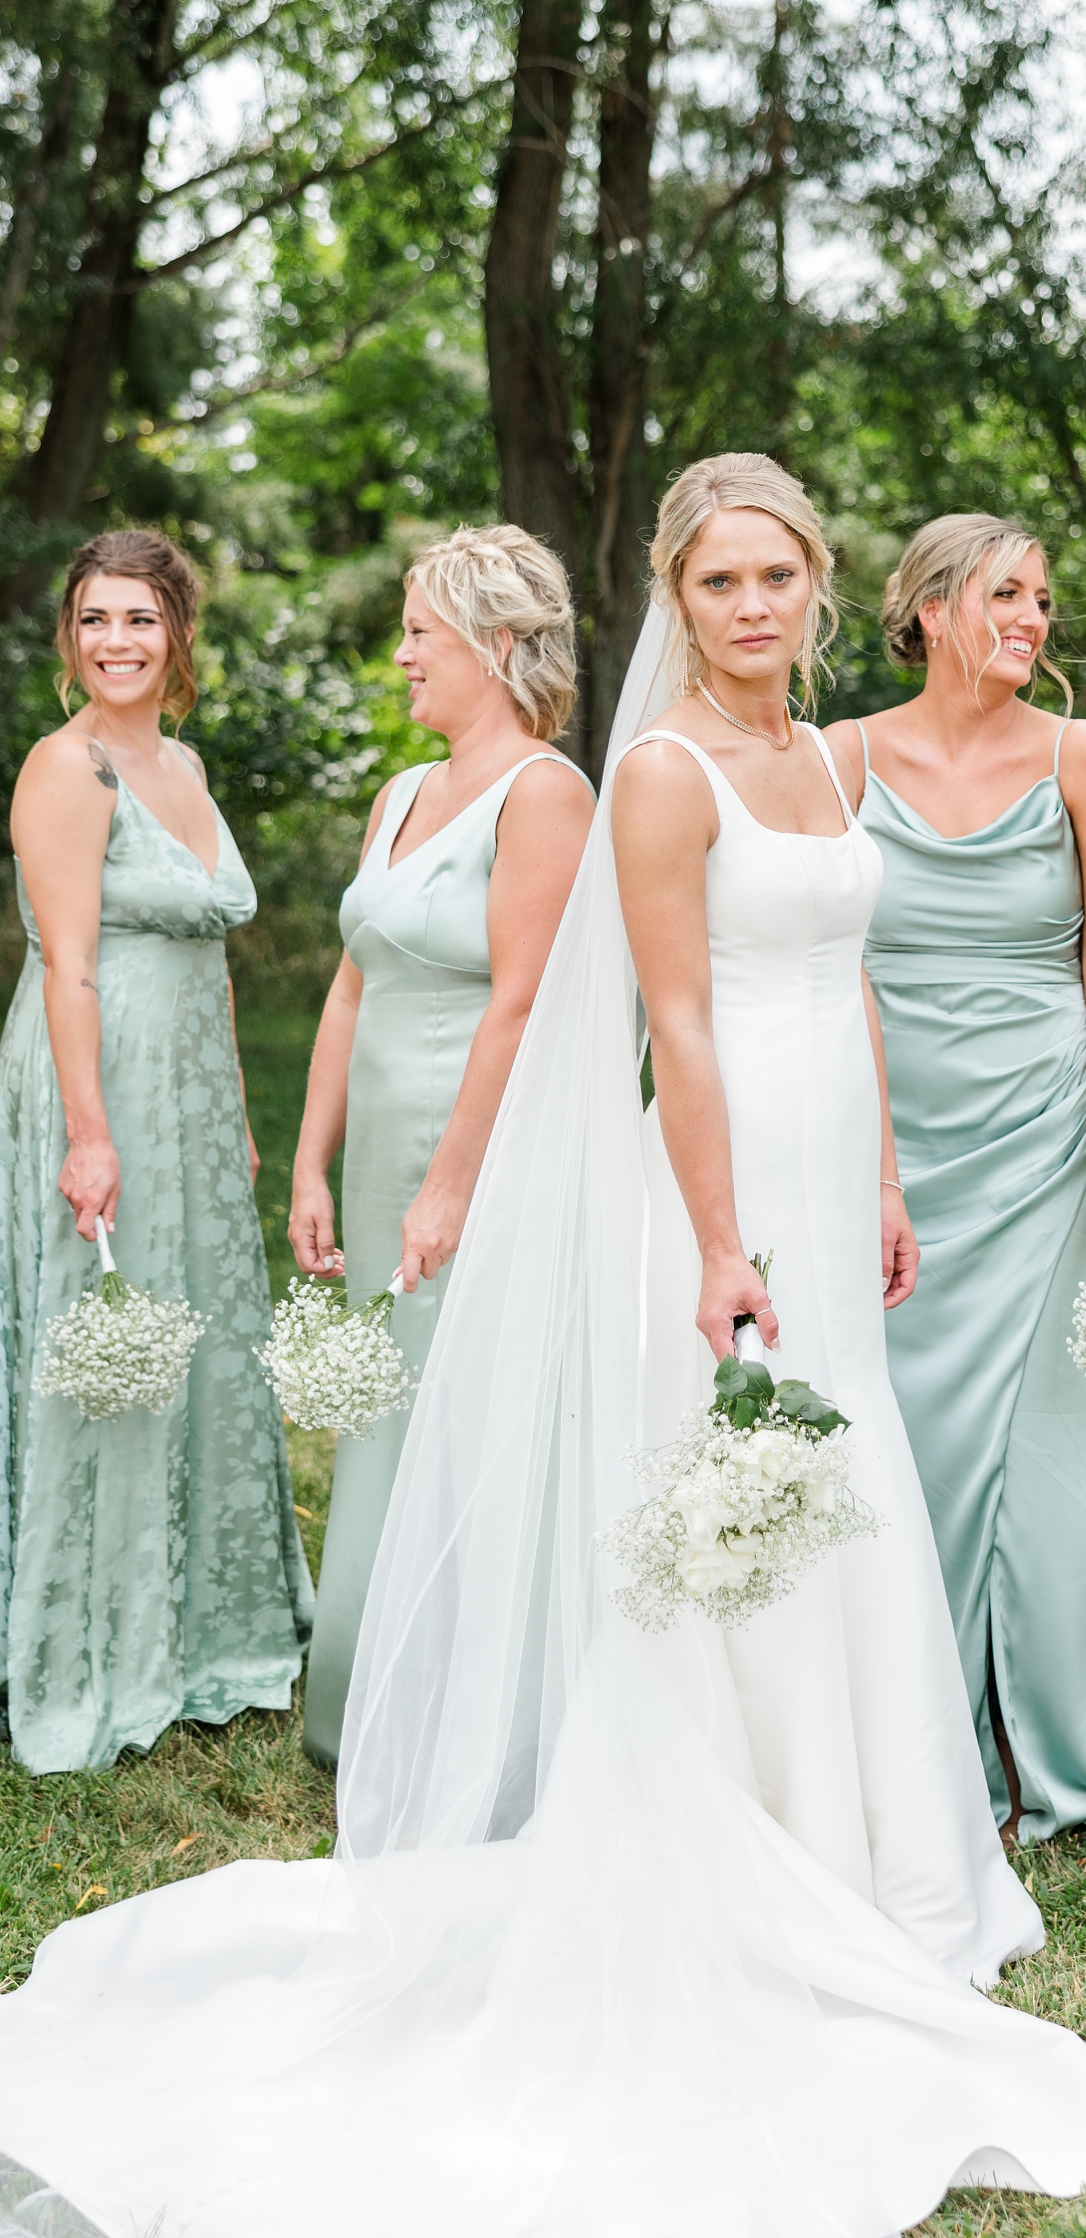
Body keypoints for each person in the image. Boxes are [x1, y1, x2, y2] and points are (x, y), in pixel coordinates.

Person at [0, 458, 1086, 2238]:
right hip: (716, 1178)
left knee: (840, 1483)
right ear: (674, 602)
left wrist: (878, 1173)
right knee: (737, 1492)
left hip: (828, 1151)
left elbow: (842, 961)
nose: (754, 606)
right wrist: (716, 1239)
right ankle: (744, 1850)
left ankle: (871, 1848)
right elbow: (677, 1012)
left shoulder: (818, 761)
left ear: (824, 587)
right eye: (718, 584)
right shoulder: (659, 771)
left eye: (779, 575)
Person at [825, 515, 1086, 1847]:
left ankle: (1062, 1744)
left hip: (1045, 1136)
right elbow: (821, 954)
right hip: (887, 1135)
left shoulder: (1083, 757)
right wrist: (855, 1155)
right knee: (902, 1434)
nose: (1031, 617)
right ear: (925, 609)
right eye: (1002, 594)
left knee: (1049, 1462)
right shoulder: (841, 757)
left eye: (1042, 596)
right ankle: (908, 1738)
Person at [0, 528, 312, 1775]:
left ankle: (200, 1629)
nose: (115, 641)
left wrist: (231, 1103)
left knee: (196, 1335)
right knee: (107, 1343)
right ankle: (94, 1643)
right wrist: (90, 1133)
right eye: (94, 620)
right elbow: (67, 960)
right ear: (69, 640)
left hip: (186, 1090)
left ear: (177, 634)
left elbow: (213, 956)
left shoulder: (178, 761)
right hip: (100, 1076)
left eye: (139, 618)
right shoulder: (65, 768)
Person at [290, 524, 593, 1767]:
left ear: (498, 642)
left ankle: (475, 1715)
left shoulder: (549, 793)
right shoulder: (400, 795)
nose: (403, 653)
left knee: (473, 1408)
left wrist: (450, 1185)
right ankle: (371, 1685)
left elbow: (522, 1002)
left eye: (422, 630)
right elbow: (352, 986)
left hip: (482, 1155)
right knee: (389, 1409)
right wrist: (313, 1161)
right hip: (379, 1162)